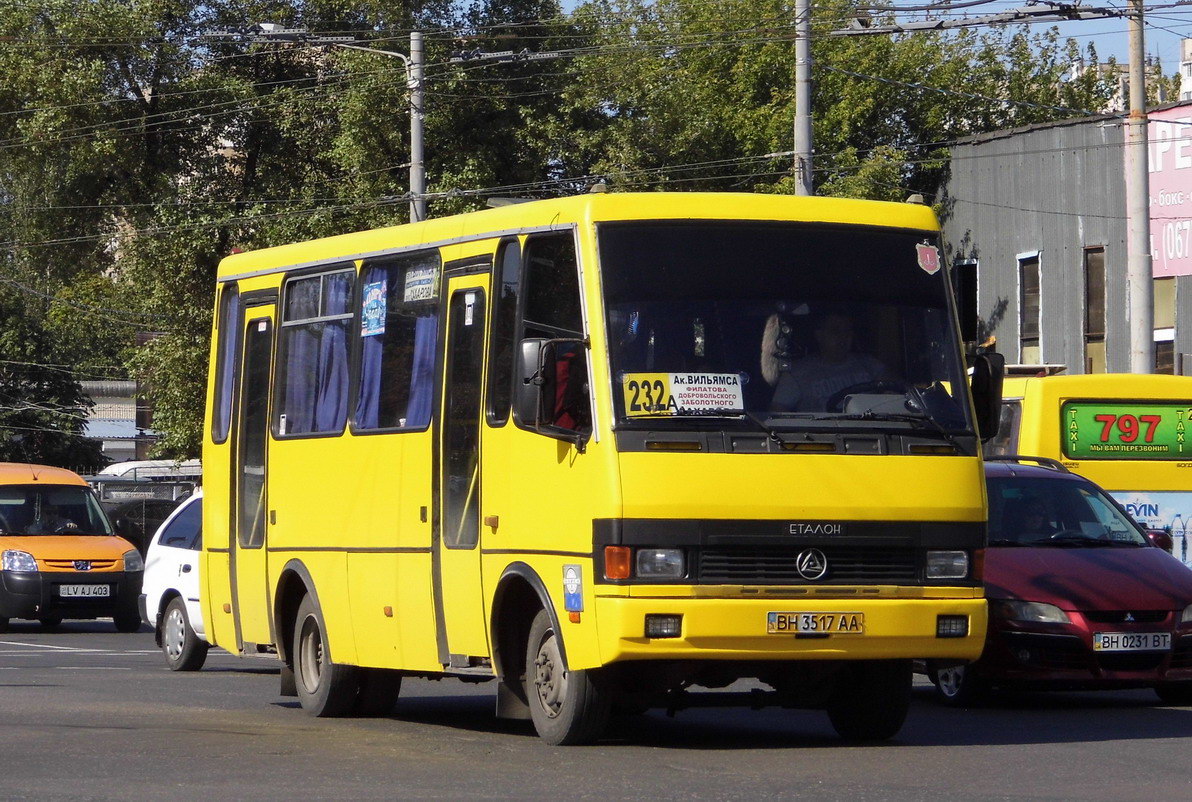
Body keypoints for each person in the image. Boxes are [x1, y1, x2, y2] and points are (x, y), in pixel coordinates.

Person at [768, 312, 888, 412]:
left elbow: (901, 392)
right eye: (835, 331)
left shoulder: (870, 365)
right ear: (819, 335)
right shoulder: (797, 374)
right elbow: (777, 415)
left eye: (847, 331)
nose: (843, 337)